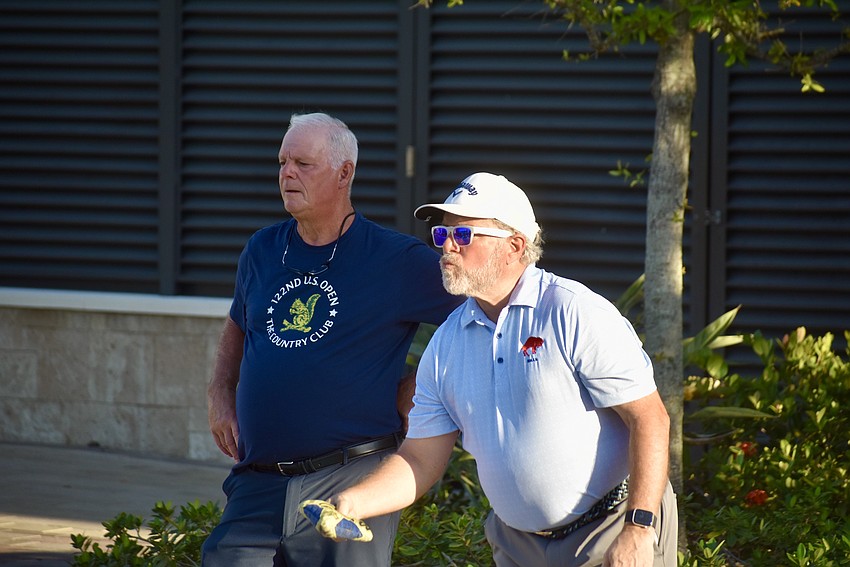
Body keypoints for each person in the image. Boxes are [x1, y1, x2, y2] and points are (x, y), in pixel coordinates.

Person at [320, 172, 677, 566]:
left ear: (515, 246)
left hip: (611, 528)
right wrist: (354, 500)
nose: (447, 247)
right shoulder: (446, 345)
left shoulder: (573, 311)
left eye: (464, 235)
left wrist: (640, 527)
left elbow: (650, 420)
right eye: (442, 235)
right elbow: (420, 459)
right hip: (516, 544)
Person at [201, 112, 462, 566]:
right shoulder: (262, 249)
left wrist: (420, 388)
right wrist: (220, 389)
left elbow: (476, 317)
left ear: (345, 173)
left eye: (303, 163)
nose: (287, 174)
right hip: (256, 481)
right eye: (282, 162)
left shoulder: (396, 259)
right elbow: (238, 324)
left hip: (349, 479)